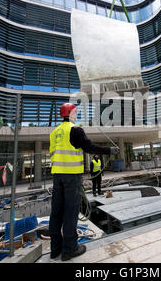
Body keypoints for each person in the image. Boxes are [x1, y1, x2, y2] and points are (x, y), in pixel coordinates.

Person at [49, 103, 120, 261]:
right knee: (70, 211)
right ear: (70, 113)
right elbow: (89, 147)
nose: (77, 114)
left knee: (56, 212)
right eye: (75, 112)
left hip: (57, 176)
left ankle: (55, 250)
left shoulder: (54, 133)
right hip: (71, 176)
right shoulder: (75, 130)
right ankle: (69, 249)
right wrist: (109, 150)